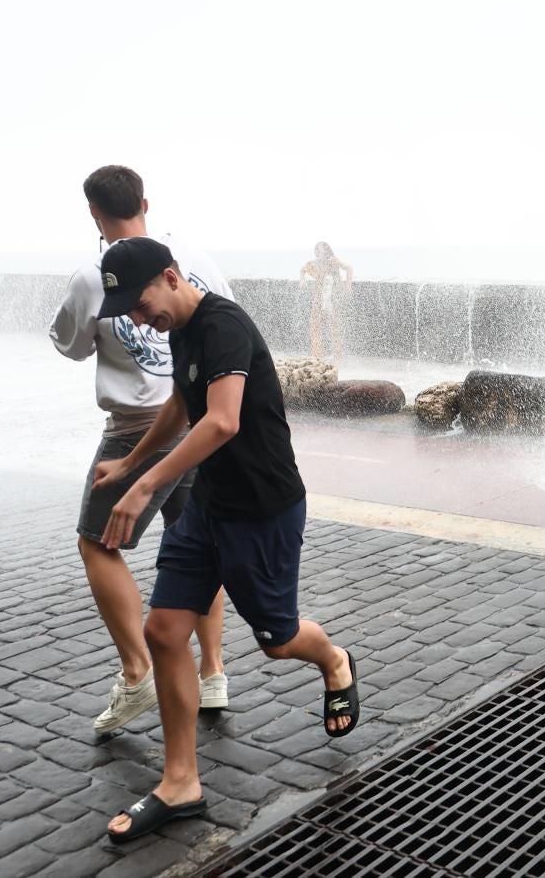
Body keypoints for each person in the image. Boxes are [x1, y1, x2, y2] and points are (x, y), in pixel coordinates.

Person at [91, 237, 358, 844]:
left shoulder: (224, 325)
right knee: (163, 631)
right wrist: (131, 463)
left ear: (170, 276)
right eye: (128, 312)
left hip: (263, 510)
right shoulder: (178, 329)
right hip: (211, 508)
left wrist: (144, 488)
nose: (139, 319)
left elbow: (223, 419)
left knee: (279, 639)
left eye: (141, 303)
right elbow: (183, 406)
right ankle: (180, 781)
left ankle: (335, 661)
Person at [50, 165, 235, 733]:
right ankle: (212, 673)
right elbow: (225, 324)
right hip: (198, 420)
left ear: (93, 213)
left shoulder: (93, 275)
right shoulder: (192, 258)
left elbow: (71, 345)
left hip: (137, 428)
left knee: (96, 543)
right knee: (198, 545)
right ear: (145, 203)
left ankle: (137, 673)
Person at [298, 241, 353, 365]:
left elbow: (349, 268)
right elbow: (302, 269)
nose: (318, 253)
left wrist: (348, 284)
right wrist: (302, 280)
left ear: (327, 251)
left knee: (334, 327)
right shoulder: (314, 263)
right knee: (315, 327)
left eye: (320, 250)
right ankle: (317, 355)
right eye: (316, 250)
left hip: (332, 300)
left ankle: (338, 356)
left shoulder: (333, 261)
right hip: (318, 300)